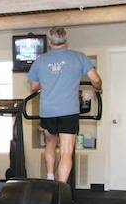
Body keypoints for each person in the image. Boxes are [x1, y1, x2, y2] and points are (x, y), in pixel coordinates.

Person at [27, 26, 102, 184]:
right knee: (66, 152)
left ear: (49, 42)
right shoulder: (79, 57)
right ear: (66, 40)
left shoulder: (40, 61)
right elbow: (95, 79)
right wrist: (97, 88)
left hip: (48, 111)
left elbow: (33, 87)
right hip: (68, 111)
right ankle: (60, 189)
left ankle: (49, 178)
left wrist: (47, 82)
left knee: (50, 143)